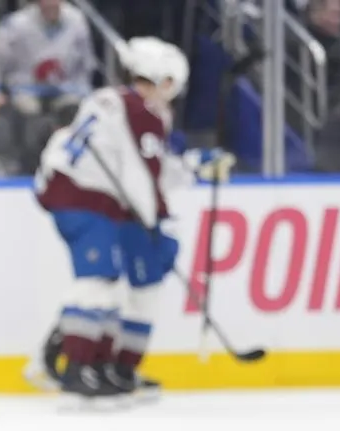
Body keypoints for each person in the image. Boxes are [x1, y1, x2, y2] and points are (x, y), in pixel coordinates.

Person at [29, 37, 232, 404]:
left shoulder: (111, 102)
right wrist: (159, 223)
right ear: (160, 78)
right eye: (170, 85)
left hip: (76, 196)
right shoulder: (140, 112)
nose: (170, 95)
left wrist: (192, 166)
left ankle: (96, 368)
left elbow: (148, 166)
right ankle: (75, 370)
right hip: (87, 200)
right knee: (98, 282)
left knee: (108, 284)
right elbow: (141, 176)